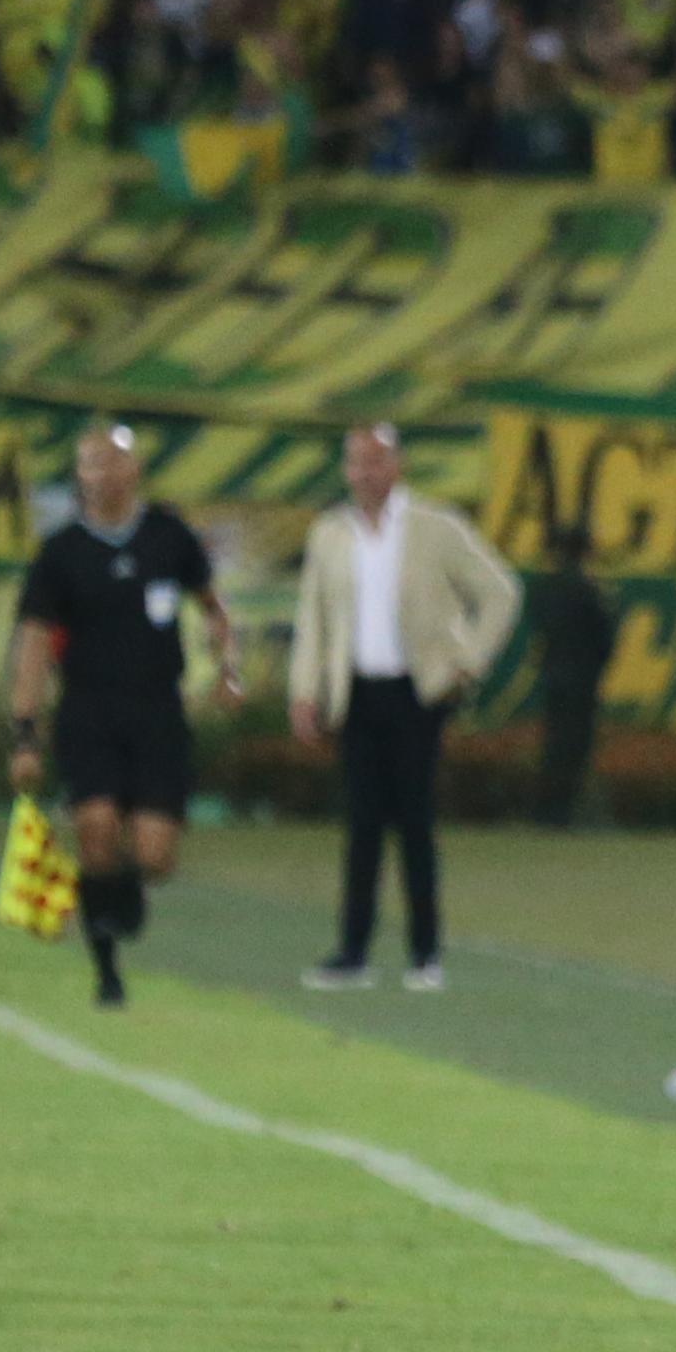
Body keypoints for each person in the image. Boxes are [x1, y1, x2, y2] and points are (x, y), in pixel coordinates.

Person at [6, 425, 240, 1007]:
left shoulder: (168, 537)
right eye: (91, 464)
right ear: (79, 476)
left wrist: (227, 668)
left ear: (135, 470)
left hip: (158, 711)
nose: (104, 474)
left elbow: (212, 607)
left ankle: (122, 894)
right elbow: (33, 642)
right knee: (96, 830)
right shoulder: (60, 553)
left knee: (155, 856)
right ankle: (106, 969)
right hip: (89, 711)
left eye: (115, 462)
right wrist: (25, 733)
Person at [288, 425, 520, 992]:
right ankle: (353, 952)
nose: (365, 474)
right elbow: (313, 618)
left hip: (418, 694)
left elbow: (500, 592)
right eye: (356, 463)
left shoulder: (434, 529)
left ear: (397, 466)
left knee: (414, 823)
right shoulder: (331, 535)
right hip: (358, 694)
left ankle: (424, 954)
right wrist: (304, 690)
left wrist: (466, 659)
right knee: (362, 825)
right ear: (346, 470)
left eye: (376, 462)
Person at [528, 522, 616, 828]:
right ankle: (564, 812)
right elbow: (605, 636)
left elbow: (538, 622)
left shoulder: (545, 586)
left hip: (553, 674)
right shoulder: (588, 588)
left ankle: (545, 810)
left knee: (553, 743)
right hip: (582, 678)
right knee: (575, 745)